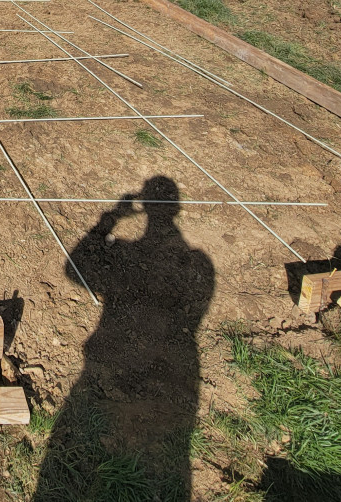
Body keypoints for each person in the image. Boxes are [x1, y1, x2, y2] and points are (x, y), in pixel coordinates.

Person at [35, 177, 215, 501]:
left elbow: (72, 271)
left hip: (117, 359)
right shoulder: (198, 262)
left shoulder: (138, 253)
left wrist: (110, 220)